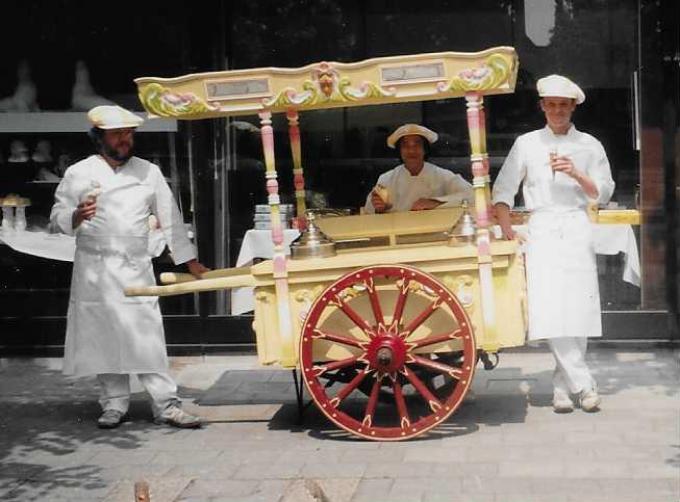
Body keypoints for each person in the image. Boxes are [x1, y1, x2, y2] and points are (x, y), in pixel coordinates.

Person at [50, 105, 210, 429]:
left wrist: (189, 261)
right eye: (118, 134)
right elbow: (57, 217)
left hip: (134, 264)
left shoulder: (148, 172)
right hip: (94, 269)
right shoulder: (78, 173)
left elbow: (170, 219)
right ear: (100, 137)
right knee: (102, 336)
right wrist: (76, 216)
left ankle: (166, 404)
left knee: (146, 334)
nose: (125, 140)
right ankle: (114, 404)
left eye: (129, 134)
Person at [492, 75, 615, 413]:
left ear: (573, 107)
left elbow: (603, 192)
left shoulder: (590, 145)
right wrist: (506, 230)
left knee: (578, 309)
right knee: (549, 308)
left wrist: (576, 173)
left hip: (576, 225)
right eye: (552, 105)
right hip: (542, 229)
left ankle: (562, 387)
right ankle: (584, 385)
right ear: (542, 107)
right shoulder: (527, 143)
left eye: (564, 105)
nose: (558, 111)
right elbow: (502, 191)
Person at [364, 124, 473, 213]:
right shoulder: (386, 179)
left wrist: (436, 202)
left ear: (425, 149)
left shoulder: (441, 175)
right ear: (400, 151)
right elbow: (368, 209)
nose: (411, 151)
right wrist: (380, 208)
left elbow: (473, 195)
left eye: (417, 145)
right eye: (406, 146)